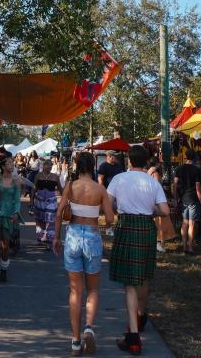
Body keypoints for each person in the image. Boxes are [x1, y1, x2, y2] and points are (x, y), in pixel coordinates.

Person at [105, 145, 170, 354]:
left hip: (126, 226)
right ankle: (140, 316)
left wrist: (115, 212)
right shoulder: (152, 182)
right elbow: (165, 211)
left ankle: (133, 336)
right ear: (146, 161)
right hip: (146, 228)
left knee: (130, 284)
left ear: (129, 161)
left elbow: (107, 205)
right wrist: (151, 208)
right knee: (142, 276)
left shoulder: (119, 179)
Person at [54, 152, 113, 356]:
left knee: (75, 292)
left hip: (72, 236)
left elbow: (60, 212)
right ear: (93, 166)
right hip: (92, 236)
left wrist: (55, 238)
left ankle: (76, 341)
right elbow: (111, 219)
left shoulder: (70, 186)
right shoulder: (100, 189)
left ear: (77, 166)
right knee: (93, 290)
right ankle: (89, 327)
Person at [0, 153, 33, 291]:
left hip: (9, 216)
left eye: (12, 162)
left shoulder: (17, 180)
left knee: (5, 247)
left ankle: (4, 268)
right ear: (2, 166)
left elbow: (17, 200)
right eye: (8, 163)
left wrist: (16, 212)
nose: (12, 164)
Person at [174, 150, 201, 255]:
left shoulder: (179, 168)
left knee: (185, 223)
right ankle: (191, 248)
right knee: (192, 224)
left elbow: (175, 185)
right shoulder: (196, 170)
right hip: (193, 199)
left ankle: (184, 247)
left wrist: (175, 198)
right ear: (195, 158)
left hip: (183, 199)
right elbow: (198, 188)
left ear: (186, 156)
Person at [34, 158, 62, 247]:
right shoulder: (38, 176)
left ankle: (48, 241)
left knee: (50, 220)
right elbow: (33, 188)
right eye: (47, 164)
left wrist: (64, 200)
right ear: (43, 166)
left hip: (51, 201)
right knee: (40, 219)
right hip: (39, 200)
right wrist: (31, 200)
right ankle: (40, 238)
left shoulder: (55, 177)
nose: (49, 166)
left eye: (50, 165)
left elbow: (61, 189)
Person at [145, 157, 166, 253]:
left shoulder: (147, 171)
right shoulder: (155, 173)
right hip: (155, 200)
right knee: (157, 223)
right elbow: (157, 188)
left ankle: (152, 242)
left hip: (148, 199)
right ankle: (157, 242)